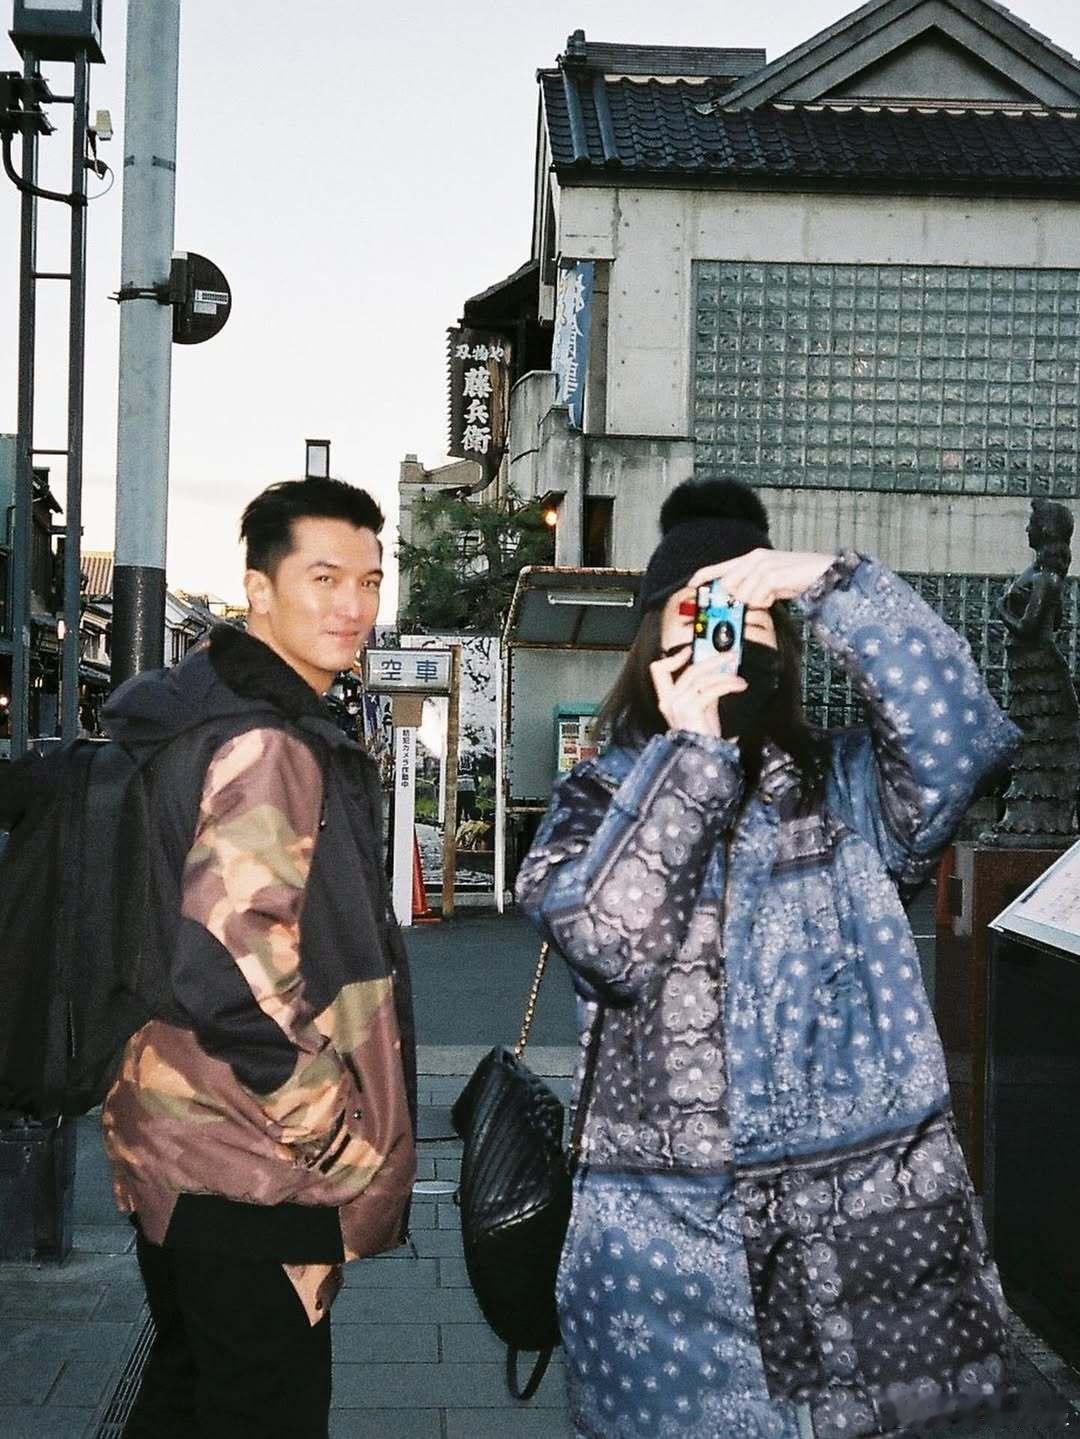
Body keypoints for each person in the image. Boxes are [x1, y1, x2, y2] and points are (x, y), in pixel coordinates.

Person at [516, 479, 1018, 1439]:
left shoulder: (848, 787)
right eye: (697, 610)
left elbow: (965, 739)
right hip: (670, 1266)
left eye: (748, 612)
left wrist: (834, 583)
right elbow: (605, 941)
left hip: (865, 1235)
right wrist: (690, 759)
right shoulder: (594, 798)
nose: (725, 636)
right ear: (651, 640)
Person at [102, 478, 417, 1439]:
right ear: (258, 589)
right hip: (249, 1160)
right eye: (323, 577)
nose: (353, 604)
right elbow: (231, 967)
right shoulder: (267, 741)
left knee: (191, 1390)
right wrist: (336, 1134)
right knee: (261, 1406)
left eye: (369, 579)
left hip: (170, 1135)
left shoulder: (194, 707)